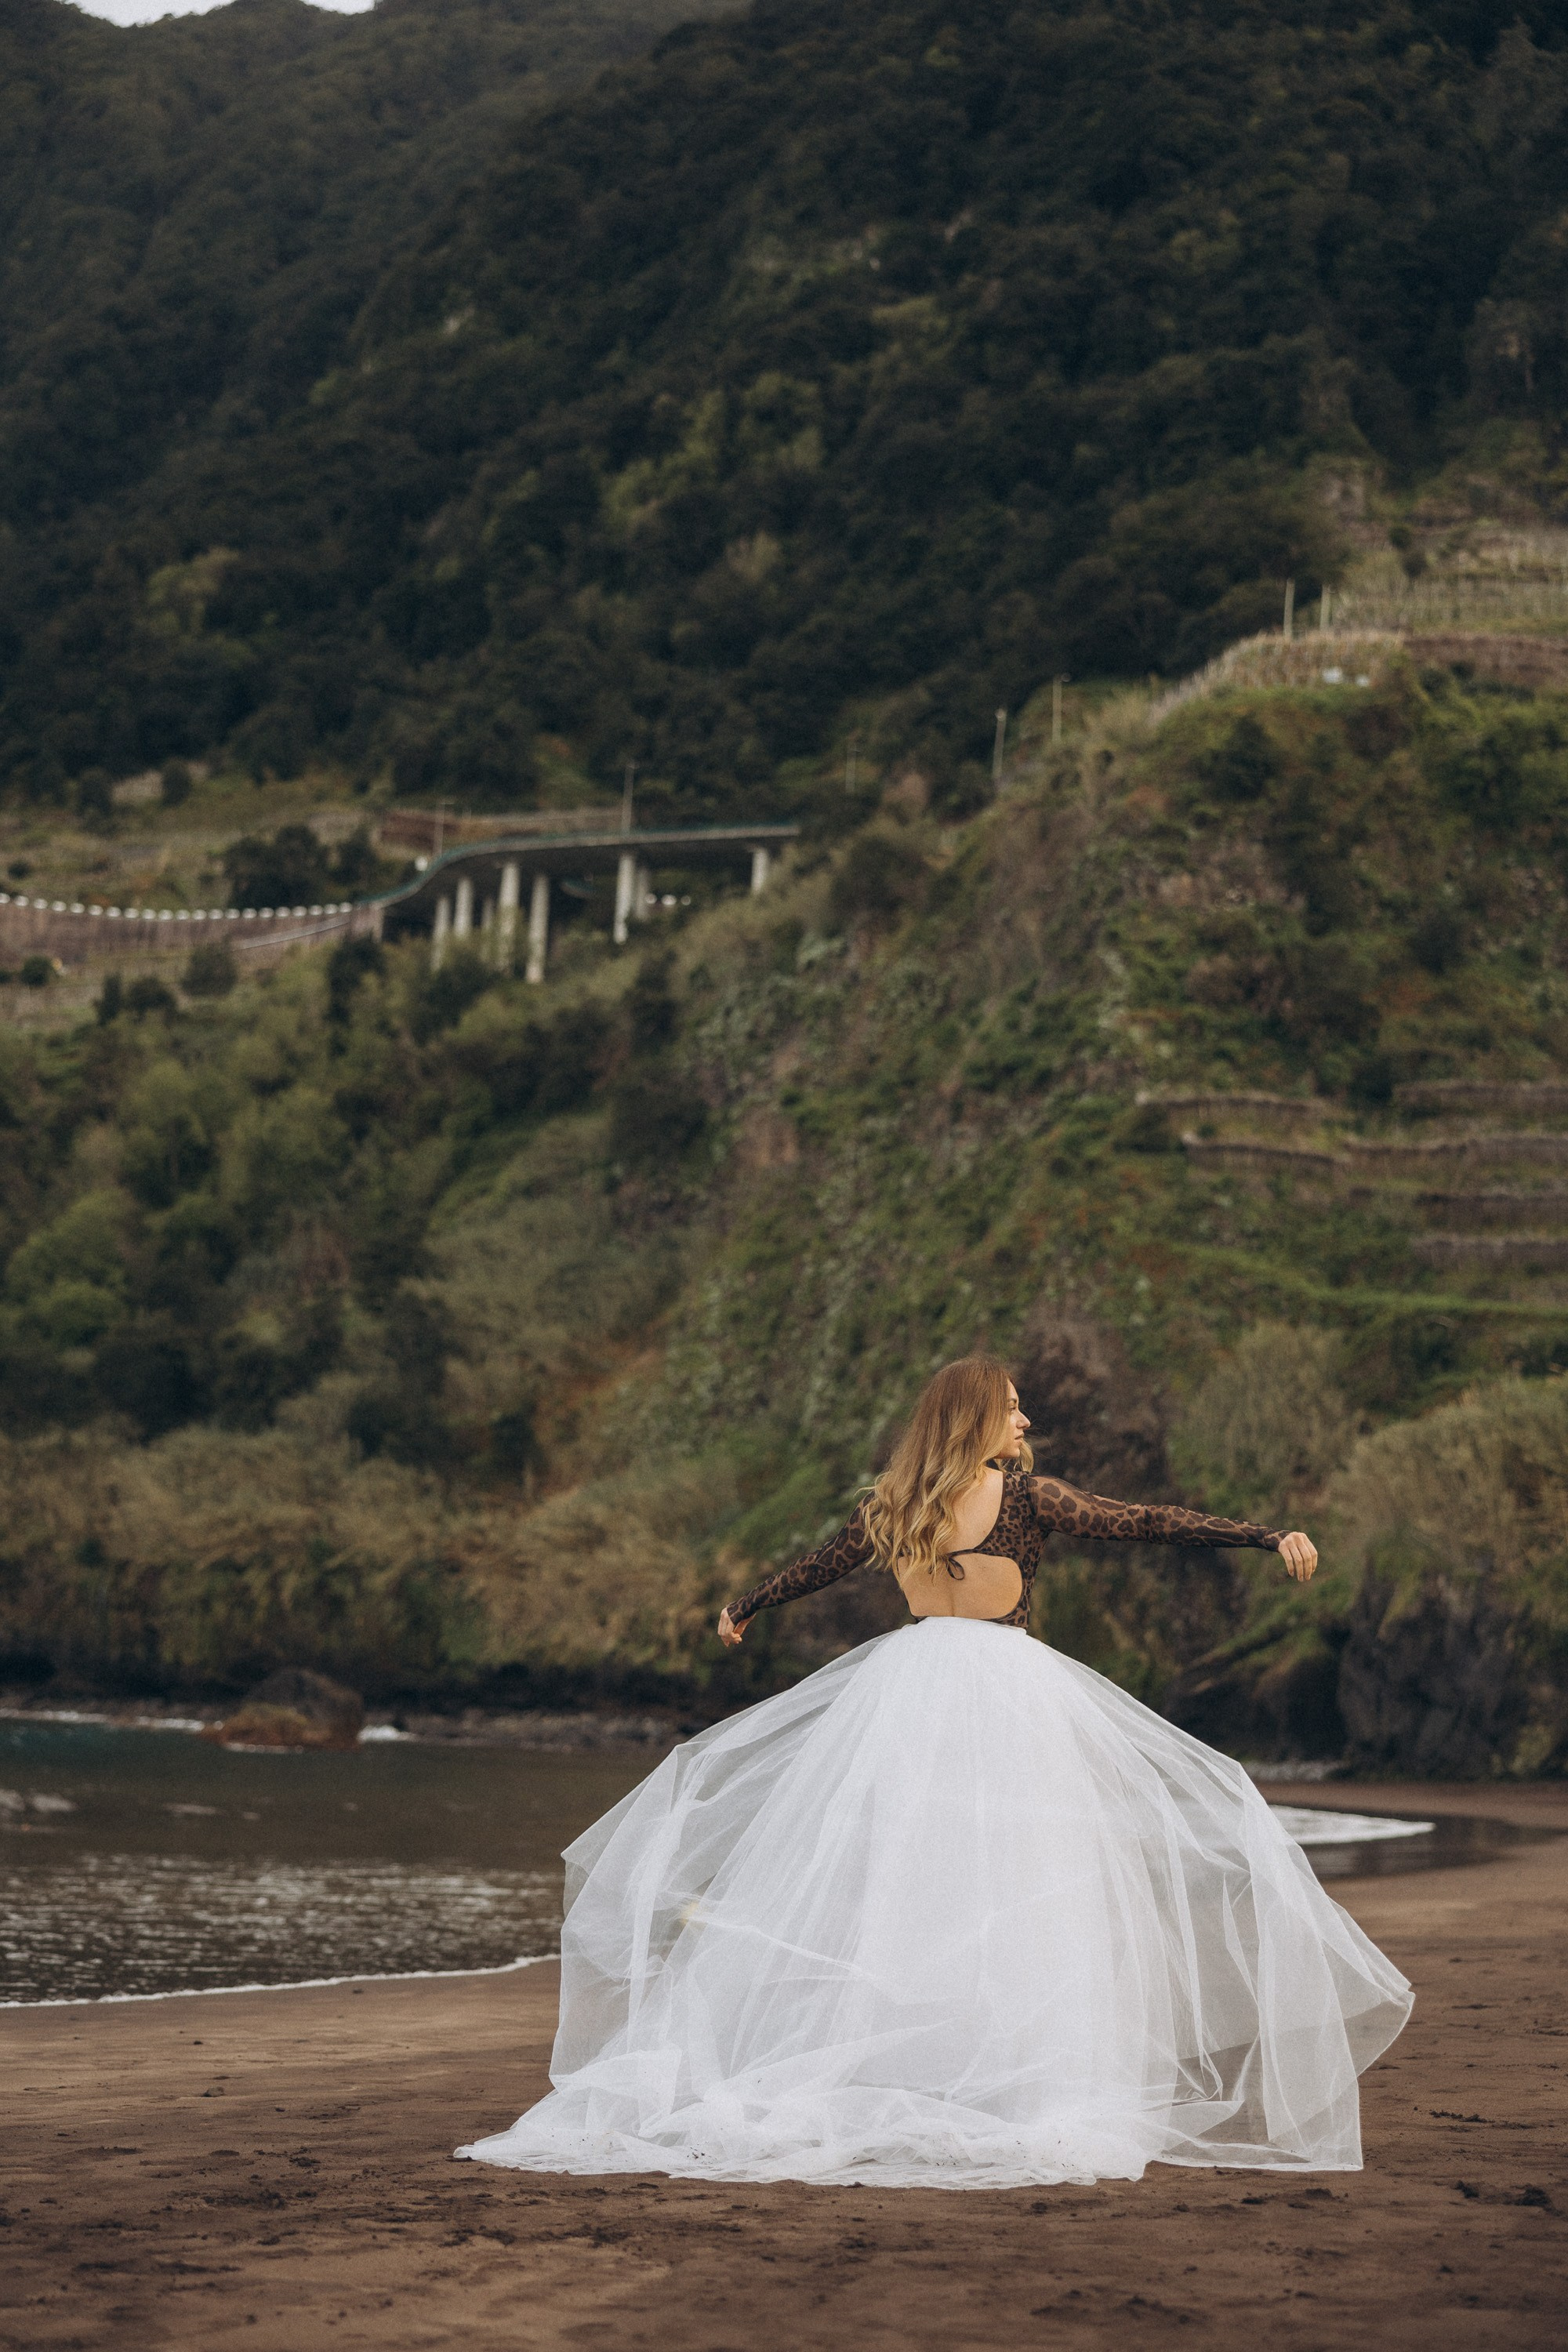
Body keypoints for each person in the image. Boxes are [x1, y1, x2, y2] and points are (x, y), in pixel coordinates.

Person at [457, 1356, 1410, 2188]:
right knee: (1026, 1887)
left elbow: (816, 1567)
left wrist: (744, 1606)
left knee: (910, 1888)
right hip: (1009, 1696)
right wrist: (1260, 1534)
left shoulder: (895, 1507)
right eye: (1012, 1408)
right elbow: (1144, 1522)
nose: (1025, 1422)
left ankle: (911, 2064)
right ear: (974, 1419)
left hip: (907, 1694)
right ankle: (1010, 2073)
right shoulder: (1029, 1500)